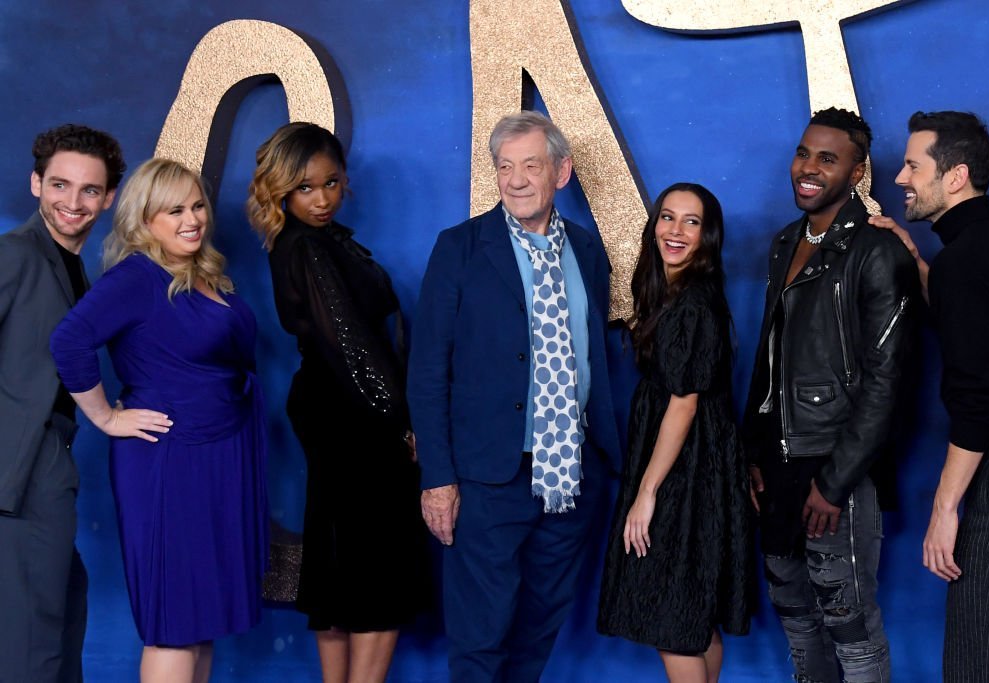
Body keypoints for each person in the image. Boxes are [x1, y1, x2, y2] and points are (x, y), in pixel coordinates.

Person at [407, 110, 621, 682]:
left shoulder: (587, 251)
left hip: (571, 476)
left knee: (538, 628)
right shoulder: (460, 248)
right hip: (486, 480)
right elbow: (427, 369)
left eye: (531, 165)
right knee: (480, 636)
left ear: (562, 172)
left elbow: (593, 355)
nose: (518, 179)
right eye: (506, 167)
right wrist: (438, 477)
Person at [49, 158, 268, 683]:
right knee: (174, 621)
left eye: (196, 205)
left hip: (221, 451)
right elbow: (69, 340)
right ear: (145, 220)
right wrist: (105, 417)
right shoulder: (136, 278)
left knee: (203, 617)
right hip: (171, 460)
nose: (191, 219)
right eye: (174, 210)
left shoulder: (200, 271)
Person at [247, 122, 430, 683]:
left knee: (341, 552)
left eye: (330, 182)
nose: (322, 198)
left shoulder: (308, 243)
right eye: (305, 188)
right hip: (357, 415)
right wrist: (402, 422)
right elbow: (351, 344)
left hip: (335, 409)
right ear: (280, 190)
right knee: (375, 562)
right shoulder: (310, 249)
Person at [743, 108, 917, 683]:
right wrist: (754, 452)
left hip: (835, 465)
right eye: (803, 153)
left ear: (857, 172)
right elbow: (770, 354)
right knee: (796, 616)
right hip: (778, 462)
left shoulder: (876, 252)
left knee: (849, 624)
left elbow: (885, 383)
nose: (808, 169)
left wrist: (836, 481)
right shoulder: (785, 242)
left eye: (827, 158)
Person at [871, 111, 989, 682]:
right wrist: (917, 262)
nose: (901, 178)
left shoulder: (966, 262)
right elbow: (986, 330)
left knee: (983, 657)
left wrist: (944, 509)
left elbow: (980, 396)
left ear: (955, 176)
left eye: (913, 166)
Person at [597, 183, 752, 682]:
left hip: (682, 471)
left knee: (673, 615)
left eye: (691, 221)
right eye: (668, 217)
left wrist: (647, 492)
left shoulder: (691, 307)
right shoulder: (680, 294)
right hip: (694, 465)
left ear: (708, 235)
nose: (677, 231)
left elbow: (684, 404)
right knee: (692, 613)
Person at [0, 124, 123, 683]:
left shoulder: (76, 268)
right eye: (59, 185)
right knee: (36, 643)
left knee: (63, 620)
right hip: (22, 469)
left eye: (89, 190)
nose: (72, 203)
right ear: (35, 184)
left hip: (51, 460)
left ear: (110, 197)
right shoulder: (16, 256)